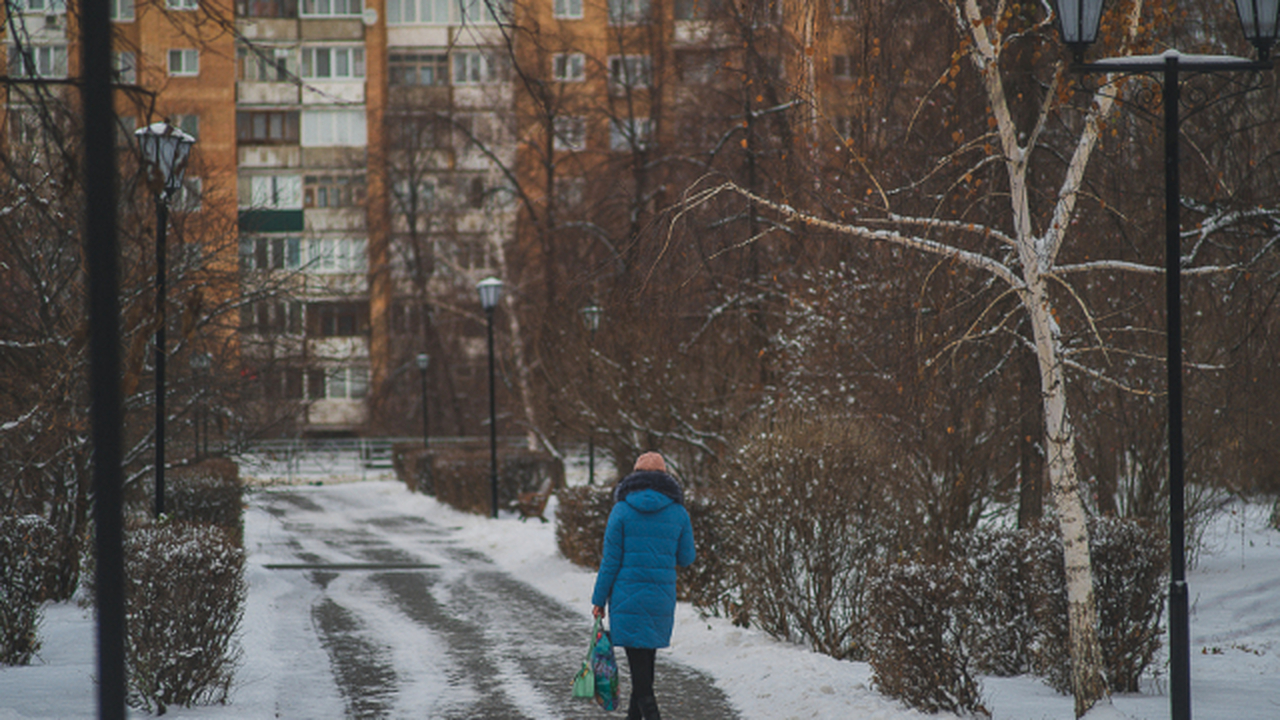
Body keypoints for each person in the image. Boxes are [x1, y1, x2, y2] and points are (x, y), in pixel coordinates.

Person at [592, 451, 696, 720]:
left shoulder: (622, 509)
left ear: (635, 476)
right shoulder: (678, 512)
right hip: (660, 598)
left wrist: (598, 599)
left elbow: (610, 561)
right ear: (664, 476)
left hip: (627, 599)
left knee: (641, 676)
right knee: (645, 667)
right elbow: (687, 558)